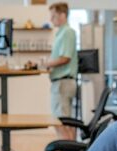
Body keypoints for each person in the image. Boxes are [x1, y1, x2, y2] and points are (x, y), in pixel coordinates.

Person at [46, 2, 78, 140]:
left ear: (63, 15)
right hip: (61, 82)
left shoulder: (67, 32)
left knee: (61, 122)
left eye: (53, 16)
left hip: (63, 83)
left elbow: (65, 58)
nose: (51, 19)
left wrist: (47, 64)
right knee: (63, 122)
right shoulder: (61, 33)